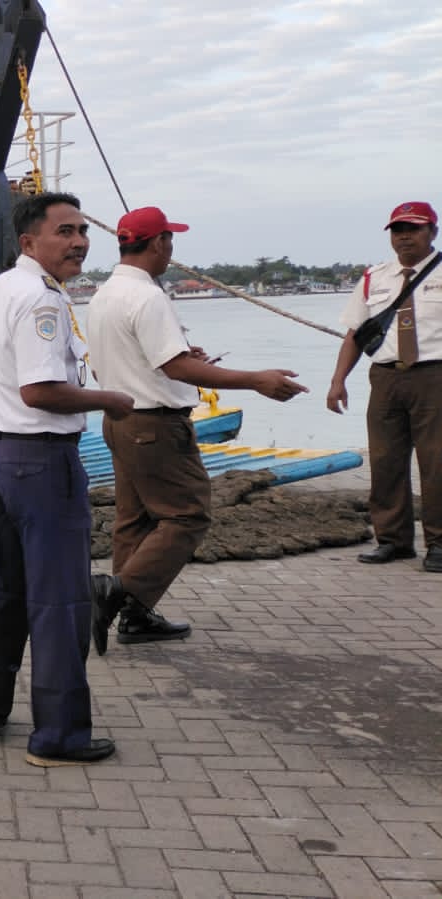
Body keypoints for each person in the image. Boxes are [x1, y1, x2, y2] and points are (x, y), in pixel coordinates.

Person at [0, 191, 135, 767]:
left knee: (3, 589)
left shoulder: (0, 288)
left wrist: (5, 367)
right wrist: (111, 399)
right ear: (29, 241)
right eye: (65, 232)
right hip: (42, 461)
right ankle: (58, 736)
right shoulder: (41, 300)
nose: (79, 242)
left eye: (82, 231)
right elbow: (42, 392)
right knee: (59, 600)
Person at [86, 207, 308, 648]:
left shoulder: (103, 296)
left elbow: (114, 365)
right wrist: (255, 379)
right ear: (158, 242)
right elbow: (175, 367)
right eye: (169, 240)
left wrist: (185, 359)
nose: (171, 249)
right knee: (187, 515)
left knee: (134, 520)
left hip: (121, 421)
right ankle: (117, 592)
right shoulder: (147, 296)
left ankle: (134, 615)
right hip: (155, 426)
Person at [327, 200, 442, 573]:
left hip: (434, 375)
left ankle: (439, 543)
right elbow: (355, 334)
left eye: (414, 228)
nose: (404, 236)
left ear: (433, 232)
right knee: (385, 460)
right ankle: (393, 540)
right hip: (386, 376)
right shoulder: (374, 278)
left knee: (437, 462)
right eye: (397, 230)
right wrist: (338, 380)